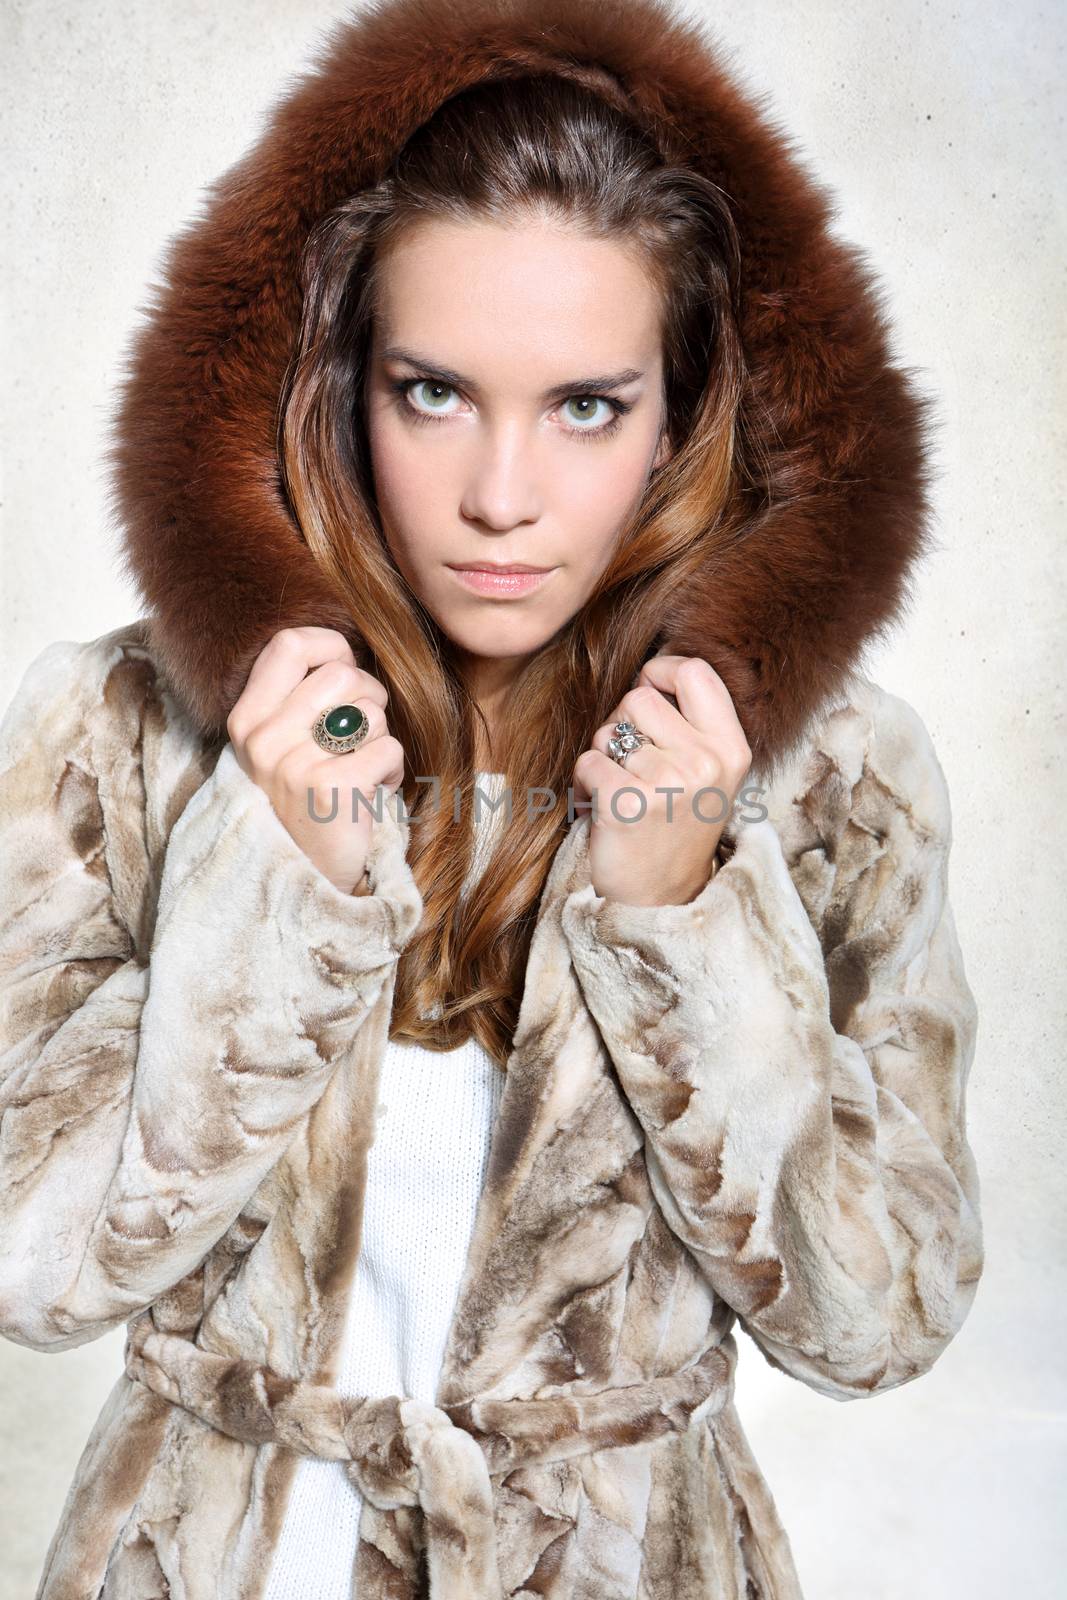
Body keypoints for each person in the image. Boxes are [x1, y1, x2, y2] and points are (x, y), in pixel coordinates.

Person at [0, 0, 984, 1596]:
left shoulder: (828, 781)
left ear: (682, 414)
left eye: (587, 406)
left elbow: (883, 1324)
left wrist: (685, 921)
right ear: (340, 383)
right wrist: (276, 889)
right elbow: (24, 1270)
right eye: (434, 393)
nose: (501, 498)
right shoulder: (128, 731)